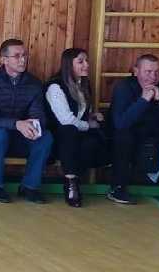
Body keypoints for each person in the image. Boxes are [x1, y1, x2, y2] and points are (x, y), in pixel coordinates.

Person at [107, 54, 159, 207]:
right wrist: (143, 100)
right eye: (148, 72)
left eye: (157, 72)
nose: (153, 77)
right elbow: (121, 123)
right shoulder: (124, 88)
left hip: (156, 135)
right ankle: (117, 187)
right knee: (122, 136)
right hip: (131, 134)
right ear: (136, 71)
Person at [0, 38, 53, 203]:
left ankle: (30, 187)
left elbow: (39, 115)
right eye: (17, 56)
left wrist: (35, 125)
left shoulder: (34, 83)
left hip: (21, 134)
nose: (22, 59)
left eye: (24, 55)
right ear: (4, 60)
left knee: (45, 136)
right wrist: (16, 124)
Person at [44, 47, 111, 207]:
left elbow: (80, 113)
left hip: (78, 132)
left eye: (86, 61)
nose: (86, 65)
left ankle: (77, 179)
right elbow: (66, 120)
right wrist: (89, 125)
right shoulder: (55, 86)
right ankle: (71, 183)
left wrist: (92, 116)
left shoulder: (84, 85)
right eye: (81, 62)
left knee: (95, 141)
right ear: (69, 64)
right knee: (70, 132)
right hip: (59, 136)